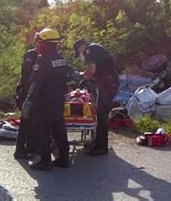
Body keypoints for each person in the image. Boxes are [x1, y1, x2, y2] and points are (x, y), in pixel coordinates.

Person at [24, 28, 70, 170]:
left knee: (42, 131)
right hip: (57, 100)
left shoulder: (42, 59)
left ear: (45, 43)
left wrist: (28, 101)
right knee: (58, 130)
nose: (38, 45)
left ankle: (45, 161)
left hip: (43, 102)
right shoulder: (61, 58)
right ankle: (64, 158)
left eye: (39, 42)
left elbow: (36, 83)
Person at [73, 38, 119, 156]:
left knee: (102, 114)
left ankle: (102, 146)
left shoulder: (90, 50)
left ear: (81, 46)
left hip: (108, 83)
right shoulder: (95, 48)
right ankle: (98, 142)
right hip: (109, 82)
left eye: (79, 51)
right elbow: (97, 70)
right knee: (100, 112)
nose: (81, 54)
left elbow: (91, 69)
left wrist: (83, 77)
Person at [13, 44, 38, 160]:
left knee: (29, 121)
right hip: (30, 92)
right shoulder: (37, 56)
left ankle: (30, 148)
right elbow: (31, 77)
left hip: (25, 91)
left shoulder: (29, 54)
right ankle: (22, 150)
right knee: (27, 121)